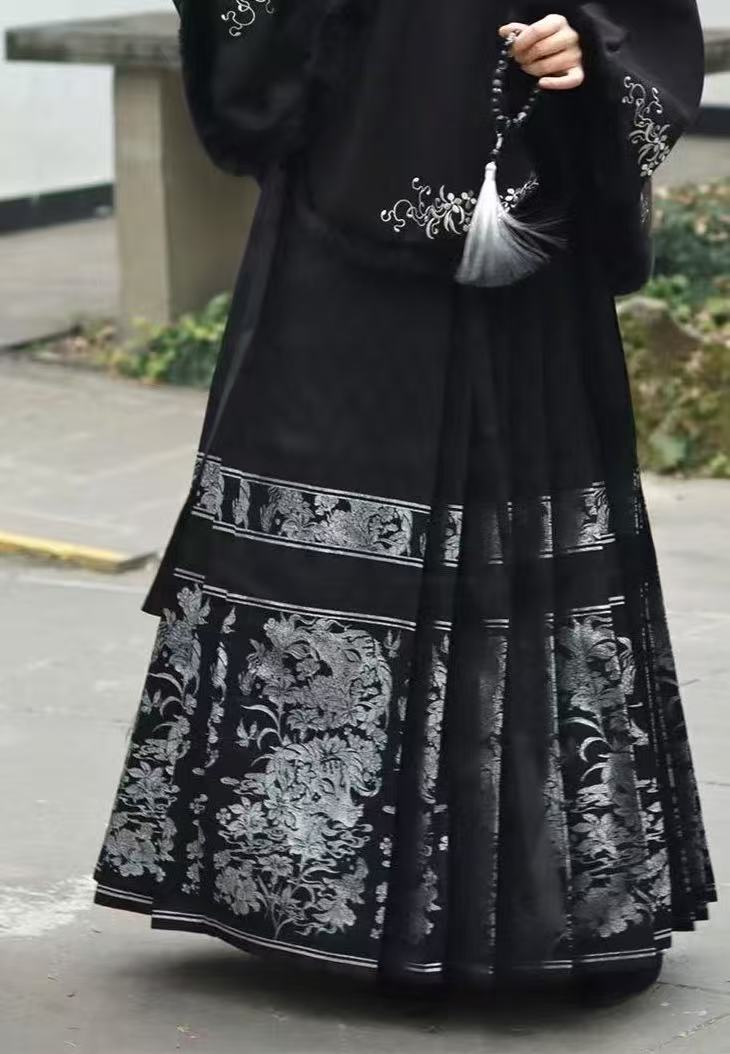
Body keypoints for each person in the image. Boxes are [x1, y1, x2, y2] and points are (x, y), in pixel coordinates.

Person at [94, 0, 715, 999]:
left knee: (510, 554)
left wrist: (590, 44)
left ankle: (518, 903)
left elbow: (645, 20)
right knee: (321, 534)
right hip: (339, 229)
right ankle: (300, 890)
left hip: (521, 240)